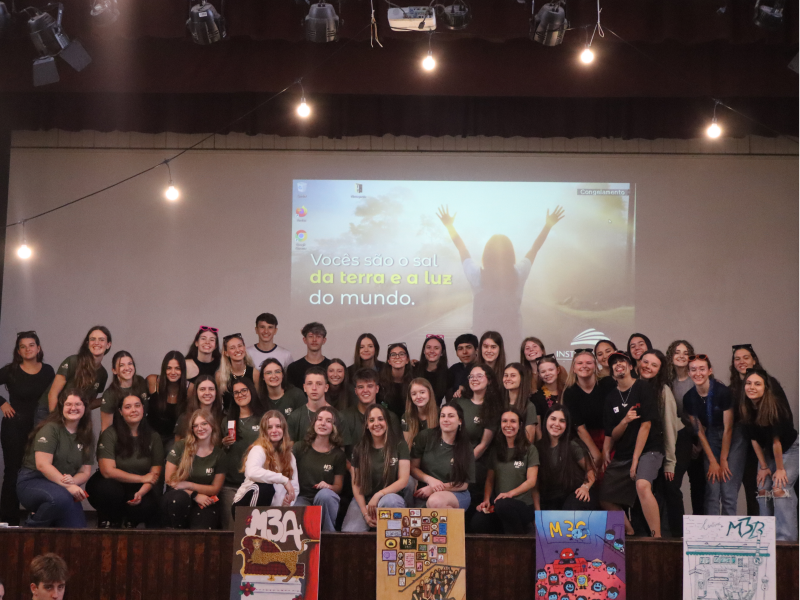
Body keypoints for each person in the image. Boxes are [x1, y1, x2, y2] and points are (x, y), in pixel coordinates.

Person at [436, 204, 565, 351]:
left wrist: (449, 227)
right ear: (510, 254)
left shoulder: (477, 276)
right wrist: (548, 225)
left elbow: (462, 250)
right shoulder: (518, 274)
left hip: (484, 347)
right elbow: (534, 249)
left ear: (486, 254)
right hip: (513, 343)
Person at [600, 352, 664, 537]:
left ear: (630, 366)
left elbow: (646, 425)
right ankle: (629, 531)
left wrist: (636, 460)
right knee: (605, 497)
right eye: (614, 363)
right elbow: (613, 434)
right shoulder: (611, 397)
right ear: (612, 371)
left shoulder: (643, 387)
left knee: (642, 485)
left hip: (649, 449)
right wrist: (624, 422)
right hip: (623, 452)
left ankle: (657, 537)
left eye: (622, 361)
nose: (618, 365)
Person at [17, 389, 93, 528]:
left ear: (85, 407)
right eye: (68, 404)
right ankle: (31, 528)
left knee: (79, 530)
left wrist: (73, 481)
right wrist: (69, 486)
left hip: (63, 486)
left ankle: (49, 518)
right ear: (61, 407)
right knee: (59, 499)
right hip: (34, 481)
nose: (73, 408)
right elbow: (42, 465)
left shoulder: (86, 435)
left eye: (78, 404)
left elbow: (85, 471)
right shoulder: (50, 428)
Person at [0, 331, 55, 525]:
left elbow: (53, 397)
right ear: (18, 351)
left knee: (39, 470)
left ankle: (39, 517)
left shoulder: (48, 371)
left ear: (38, 348)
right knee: (13, 472)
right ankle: (9, 520)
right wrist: (2, 403)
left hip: (40, 428)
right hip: (14, 427)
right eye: (22, 346)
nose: (27, 349)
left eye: (31, 345)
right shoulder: (11, 370)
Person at [728, 343, 788, 517]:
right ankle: (755, 526)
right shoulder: (733, 388)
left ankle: (777, 529)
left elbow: (783, 417)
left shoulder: (769, 383)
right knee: (753, 487)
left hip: (772, 443)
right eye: (737, 359)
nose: (741, 361)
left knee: (775, 487)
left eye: (746, 357)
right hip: (748, 445)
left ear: (754, 360)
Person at [86, 394, 163, 528]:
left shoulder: (154, 436)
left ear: (143, 409)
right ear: (120, 412)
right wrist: (141, 478)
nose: (133, 410)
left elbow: (154, 474)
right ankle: (108, 518)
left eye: (137, 406)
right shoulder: (110, 433)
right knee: (110, 491)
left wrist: (141, 492)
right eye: (128, 407)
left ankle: (129, 520)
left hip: (137, 487)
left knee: (148, 505)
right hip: (111, 483)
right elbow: (107, 472)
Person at [740, 368, 798, 542]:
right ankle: (766, 536)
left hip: (789, 448)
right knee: (763, 488)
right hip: (768, 451)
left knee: (780, 488)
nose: (752, 387)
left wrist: (780, 469)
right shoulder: (746, 408)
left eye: (757, 384)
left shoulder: (774, 407)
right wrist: (764, 467)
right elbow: (754, 440)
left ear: (765, 387)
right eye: (749, 383)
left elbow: (776, 442)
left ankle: (785, 541)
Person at [683, 354, 743, 517]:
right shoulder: (689, 397)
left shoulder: (722, 392)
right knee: (712, 488)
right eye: (693, 370)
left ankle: (728, 530)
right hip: (710, 435)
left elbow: (728, 428)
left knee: (728, 489)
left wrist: (722, 460)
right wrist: (712, 461)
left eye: (702, 369)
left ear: (709, 371)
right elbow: (699, 430)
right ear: (689, 373)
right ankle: (713, 530)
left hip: (733, 436)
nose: (698, 373)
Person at [343, 403, 410, 531]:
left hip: (390, 497)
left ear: (387, 422)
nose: (376, 424)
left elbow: (404, 480)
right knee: (350, 532)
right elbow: (356, 484)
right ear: (366, 425)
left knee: (390, 501)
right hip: (365, 500)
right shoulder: (359, 449)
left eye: (380, 419)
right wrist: (365, 512)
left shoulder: (399, 445)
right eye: (371, 420)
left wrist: (378, 495)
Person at [639, 350, 684, 537]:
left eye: (654, 365)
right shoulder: (633, 385)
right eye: (645, 362)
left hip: (666, 445)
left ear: (660, 369)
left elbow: (669, 428)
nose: (648, 367)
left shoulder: (663, 391)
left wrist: (670, 462)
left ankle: (674, 538)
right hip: (641, 447)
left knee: (668, 489)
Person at [472, 409, 539, 534]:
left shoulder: (530, 449)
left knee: (504, 505)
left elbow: (532, 481)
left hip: (523, 506)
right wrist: (486, 500)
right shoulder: (496, 450)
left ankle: (518, 543)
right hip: (499, 505)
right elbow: (490, 480)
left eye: (513, 421)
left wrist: (510, 494)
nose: (508, 425)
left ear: (520, 425)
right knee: (478, 521)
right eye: (504, 421)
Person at [162, 410, 225, 529]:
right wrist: (194, 495)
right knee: (178, 500)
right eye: (195, 426)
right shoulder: (181, 446)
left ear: (212, 425)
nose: (200, 428)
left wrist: (189, 485)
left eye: (204, 424)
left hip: (205, 498)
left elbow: (215, 489)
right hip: (178, 495)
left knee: (205, 522)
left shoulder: (219, 454)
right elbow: (170, 480)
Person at [218, 379, 269, 529]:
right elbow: (219, 453)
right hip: (231, 484)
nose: (240, 394)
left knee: (254, 529)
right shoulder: (227, 421)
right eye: (236, 392)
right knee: (232, 529)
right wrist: (224, 444)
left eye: (244, 390)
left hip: (257, 484)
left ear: (251, 391)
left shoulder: (263, 418)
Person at [38, 325, 111, 419]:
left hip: (70, 415)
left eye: (101, 339)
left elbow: (88, 404)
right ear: (87, 343)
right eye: (93, 339)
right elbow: (53, 394)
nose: (97, 343)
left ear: (108, 344)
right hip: (48, 411)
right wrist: (55, 420)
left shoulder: (103, 374)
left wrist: (109, 398)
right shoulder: (73, 361)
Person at [410, 402, 475, 509]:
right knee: (440, 508)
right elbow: (412, 467)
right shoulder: (425, 437)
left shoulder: (465, 446)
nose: (445, 419)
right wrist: (429, 480)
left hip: (455, 493)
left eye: (451, 416)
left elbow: (464, 484)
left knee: (436, 501)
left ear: (460, 421)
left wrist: (434, 488)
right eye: (443, 416)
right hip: (425, 491)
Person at [232, 410, 299, 513]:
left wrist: (287, 503)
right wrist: (283, 479)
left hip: (272, 510)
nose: (274, 430)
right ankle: (253, 520)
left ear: (284, 429)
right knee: (265, 487)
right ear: (264, 431)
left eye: (278, 426)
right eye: (269, 427)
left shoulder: (290, 456)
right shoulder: (258, 449)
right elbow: (252, 472)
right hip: (243, 507)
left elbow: (294, 487)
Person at [292, 406, 347, 531]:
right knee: (298, 509)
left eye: (328, 421)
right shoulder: (299, 448)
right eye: (320, 419)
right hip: (302, 497)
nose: (323, 423)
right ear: (314, 423)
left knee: (325, 495)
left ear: (334, 427)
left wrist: (329, 487)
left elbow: (338, 487)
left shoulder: (338, 454)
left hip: (324, 497)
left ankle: (329, 535)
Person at [665, 339, 704, 516]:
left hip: (700, 436)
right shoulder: (667, 381)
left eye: (685, 353)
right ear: (671, 356)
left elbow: (705, 414)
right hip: (678, 437)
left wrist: (700, 444)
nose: (681, 356)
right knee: (672, 485)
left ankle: (700, 527)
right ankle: (677, 529)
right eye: (677, 352)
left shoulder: (697, 379)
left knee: (699, 486)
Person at [456, 364, 502, 510]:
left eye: (479, 376)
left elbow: (484, 444)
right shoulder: (458, 402)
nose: (474, 379)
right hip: (452, 456)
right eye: (471, 376)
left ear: (489, 380)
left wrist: (463, 463)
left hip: (475, 461)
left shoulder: (492, 407)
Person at [534, 404, 597, 510]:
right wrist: (537, 511)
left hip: (576, 493)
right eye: (553, 419)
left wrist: (585, 487)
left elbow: (591, 470)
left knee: (571, 506)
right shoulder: (537, 448)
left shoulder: (573, 445)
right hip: (550, 498)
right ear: (546, 421)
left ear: (567, 425)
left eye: (562, 421)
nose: (556, 424)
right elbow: (535, 486)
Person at [562, 349, 614, 471]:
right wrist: (597, 455)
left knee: (609, 468)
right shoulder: (570, 392)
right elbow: (580, 428)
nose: (584, 366)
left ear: (595, 366)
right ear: (574, 368)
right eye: (580, 363)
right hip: (585, 440)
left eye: (589, 363)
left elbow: (613, 420)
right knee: (593, 469)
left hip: (610, 436)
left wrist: (605, 451)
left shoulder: (608, 384)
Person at [341, 369, 401, 447]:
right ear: (356, 391)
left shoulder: (390, 418)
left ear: (377, 389)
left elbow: (396, 448)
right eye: (360, 387)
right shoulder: (344, 417)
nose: (365, 390)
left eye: (370, 386)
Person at [146, 351, 189, 452]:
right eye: (169, 368)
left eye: (177, 368)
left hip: (173, 438)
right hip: (150, 434)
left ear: (183, 370)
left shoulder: (190, 389)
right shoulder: (152, 381)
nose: (173, 372)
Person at [99, 351, 148, 432]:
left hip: (143, 433)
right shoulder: (110, 394)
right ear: (114, 370)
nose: (127, 368)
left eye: (130, 364)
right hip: (120, 435)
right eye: (121, 365)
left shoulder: (141, 382)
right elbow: (106, 428)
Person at [287, 367, 335, 442]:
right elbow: (289, 447)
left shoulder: (337, 416)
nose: (314, 388)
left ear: (326, 387)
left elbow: (341, 447)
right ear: (304, 387)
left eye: (319, 384)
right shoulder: (294, 417)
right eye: (309, 383)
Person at [215, 333, 260, 413]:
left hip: (251, 416)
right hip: (228, 417)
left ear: (244, 347)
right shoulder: (219, 376)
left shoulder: (255, 373)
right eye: (232, 348)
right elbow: (217, 404)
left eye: (240, 346)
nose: (238, 350)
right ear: (226, 353)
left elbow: (258, 400)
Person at [175, 374, 224, 440]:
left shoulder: (223, 419)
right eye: (202, 389)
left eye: (211, 389)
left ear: (216, 392)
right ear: (196, 392)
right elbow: (177, 444)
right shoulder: (184, 418)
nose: (207, 393)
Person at [286, 322, 331, 390]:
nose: (314, 340)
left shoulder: (331, 367)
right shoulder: (293, 368)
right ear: (304, 340)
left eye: (318, 336)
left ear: (324, 340)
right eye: (310, 336)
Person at [501, 363, 537, 442]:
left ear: (522, 379)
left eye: (513, 376)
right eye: (506, 375)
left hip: (520, 448)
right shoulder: (499, 403)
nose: (508, 379)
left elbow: (529, 439)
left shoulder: (529, 406)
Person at [402, 378, 439, 450]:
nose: (418, 397)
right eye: (414, 394)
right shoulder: (406, 417)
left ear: (429, 393)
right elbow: (408, 446)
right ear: (410, 397)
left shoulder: (440, 414)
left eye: (422, 392)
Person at [378, 343, 413, 419]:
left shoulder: (414, 383)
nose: (397, 357)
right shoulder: (380, 383)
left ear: (407, 360)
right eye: (393, 354)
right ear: (389, 361)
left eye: (401, 354)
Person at [413, 335, 448, 406]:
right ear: (424, 351)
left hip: (435, 411)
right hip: (414, 411)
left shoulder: (448, 375)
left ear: (442, 352)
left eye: (436, 348)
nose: (432, 351)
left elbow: (450, 402)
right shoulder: (414, 369)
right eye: (428, 347)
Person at [447, 334, 478, 400]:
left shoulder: (483, 369)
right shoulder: (454, 369)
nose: (464, 352)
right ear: (456, 353)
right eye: (460, 349)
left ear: (477, 350)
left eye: (468, 347)